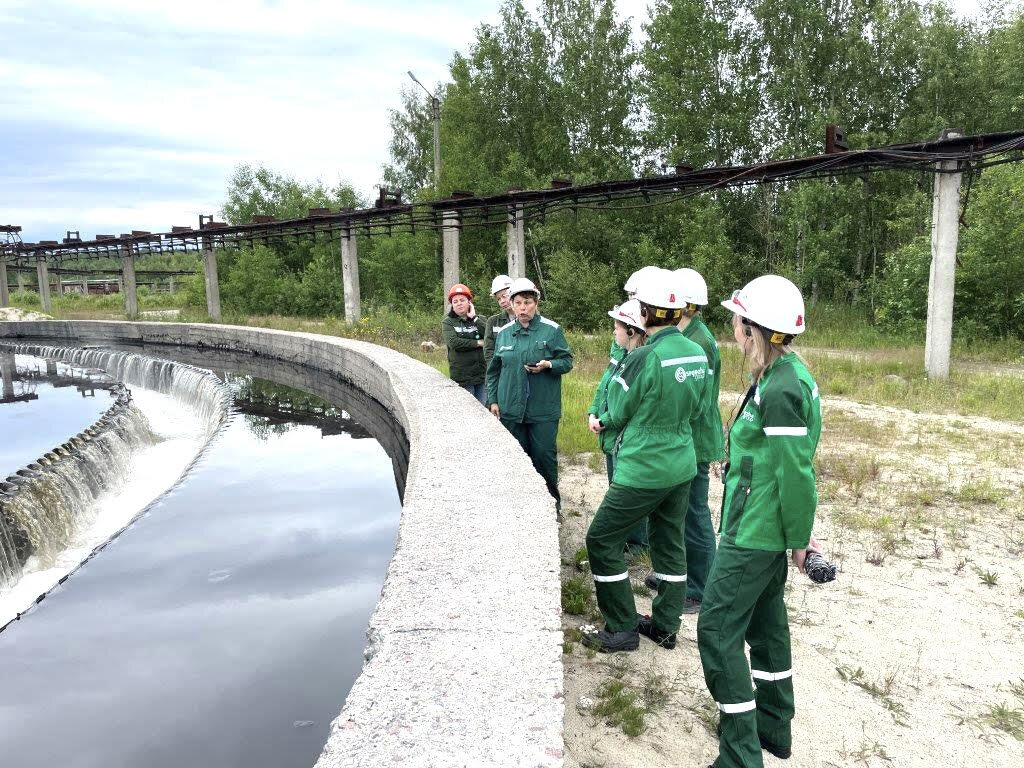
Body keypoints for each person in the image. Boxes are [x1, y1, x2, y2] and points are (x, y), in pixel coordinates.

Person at [697, 275, 822, 768]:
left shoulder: (782, 388)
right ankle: (773, 728)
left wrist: (798, 540)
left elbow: (796, 472)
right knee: (767, 630)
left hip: (756, 532)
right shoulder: (778, 375)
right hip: (758, 522)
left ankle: (741, 757)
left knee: (717, 629)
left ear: (753, 329)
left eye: (737, 319)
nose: (733, 326)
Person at [581, 268, 711, 653]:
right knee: (670, 545)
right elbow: (701, 406)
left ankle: (621, 627)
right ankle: (667, 626)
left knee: (602, 538)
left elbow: (618, 408)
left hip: (643, 467)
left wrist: (603, 420)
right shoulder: (697, 351)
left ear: (648, 313)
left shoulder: (642, 357)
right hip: (681, 463)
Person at [645, 267, 723, 612]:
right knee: (679, 512)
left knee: (694, 513)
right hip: (685, 436)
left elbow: (698, 400)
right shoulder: (688, 334)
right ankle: (678, 574)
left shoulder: (700, 341)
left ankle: (701, 586)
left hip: (696, 438)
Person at [486, 277, 573, 511]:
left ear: (536, 303)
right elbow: (494, 369)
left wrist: (548, 365)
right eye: (518, 303)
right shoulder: (503, 333)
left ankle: (552, 507)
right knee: (515, 459)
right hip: (510, 410)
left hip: (543, 410)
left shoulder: (552, 330)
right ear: (511, 305)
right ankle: (520, 508)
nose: (523, 308)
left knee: (544, 458)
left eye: (527, 302)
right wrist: (492, 399)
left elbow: (567, 361)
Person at [587, 298, 649, 549]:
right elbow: (605, 386)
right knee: (616, 486)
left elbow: (628, 405)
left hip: (622, 435)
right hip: (610, 433)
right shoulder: (620, 354)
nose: (614, 331)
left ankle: (637, 544)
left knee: (625, 494)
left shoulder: (640, 360)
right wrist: (593, 412)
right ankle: (627, 539)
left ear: (632, 331)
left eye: (617, 327)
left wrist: (604, 421)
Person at [441, 283, 487, 405]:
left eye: (462, 300)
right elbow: (454, 343)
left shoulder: (480, 319)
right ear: (452, 305)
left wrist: (474, 318)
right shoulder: (448, 322)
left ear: (469, 302)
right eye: (455, 301)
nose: (459, 303)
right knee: (469, 411)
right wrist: (478, 343)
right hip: (462, 377)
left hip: (482, 375)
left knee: (484, 411)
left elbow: (489, 336)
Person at [483, 274, 515, 368]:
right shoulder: (493, 322)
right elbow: (489, 351)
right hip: (501, 372)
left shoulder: (526, 319)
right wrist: (494, 370)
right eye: (498, 299)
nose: (502, 301)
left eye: (504, 296)